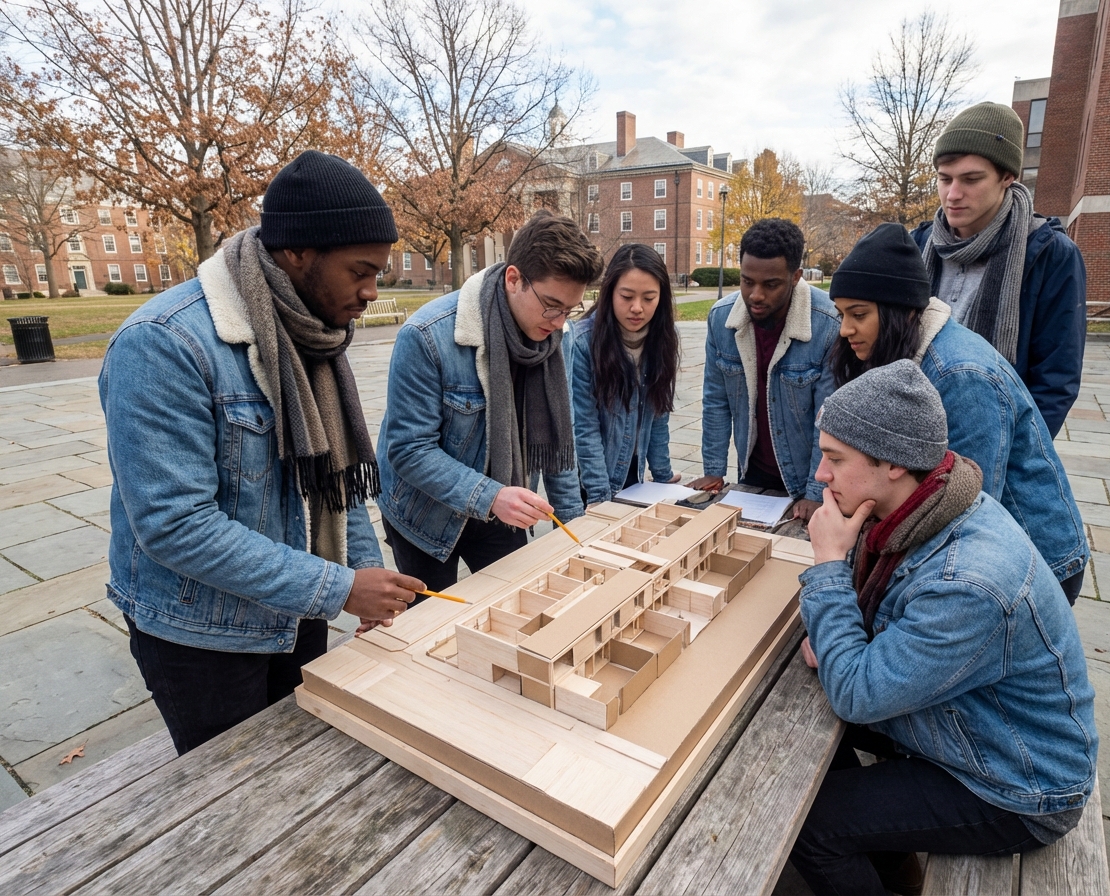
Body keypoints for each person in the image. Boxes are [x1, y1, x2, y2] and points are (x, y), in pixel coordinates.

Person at [101, 150, 423, 755]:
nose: (371, 292)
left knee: (298, 763)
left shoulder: (309, 327)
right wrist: (339, 588)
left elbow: (332, 481)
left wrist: (363, 577)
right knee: (231, 795)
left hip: (296, 604)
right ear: (298, 251)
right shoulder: (163, 343)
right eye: (360, 270)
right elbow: (174, 526)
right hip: (203, 635)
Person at [790, 360, 1097, 896]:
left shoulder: (970, 581)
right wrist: (842, 642)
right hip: (972, 726)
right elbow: (862, 661)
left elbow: (858, 693)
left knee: (810, 828)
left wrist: (827, 570)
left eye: (835, 459)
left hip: (1018, 784)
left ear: (893, 464)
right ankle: (894, 868)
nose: (821, 475)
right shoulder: (925, 507)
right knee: (804, 733)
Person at [828, 223, 1089, 603]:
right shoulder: (903, 354)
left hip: (1035, 562)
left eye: (859, 314)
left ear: (900, 310)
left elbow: (965, 509)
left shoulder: (962, 375)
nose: (845, 330)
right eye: (840, 314)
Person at [376, 210, 602, 592]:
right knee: (431, 627)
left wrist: (576, 529)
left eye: (570, 309)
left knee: (514, 606)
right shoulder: (426, 334)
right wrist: (491, 495)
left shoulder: (556, 337)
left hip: (503, 505)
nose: (560, 321)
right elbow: (409, 449)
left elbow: (559, 443)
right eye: (552, 305)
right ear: (514, 279)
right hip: (423, 514)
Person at [911, 101, 1086, 437]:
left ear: (1008, 176)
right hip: (910, 434)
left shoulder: (1051, 255)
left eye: (971, 179)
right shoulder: (918, 244)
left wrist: (1016, 453)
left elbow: (1055, 380)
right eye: (944, 179)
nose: (953, 194)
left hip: (995, 436)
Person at [690, 218, 839, 523]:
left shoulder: (828, 323)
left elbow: (829, 421)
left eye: (770, 284)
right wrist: (714, 470)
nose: (756, 295)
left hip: (808, 479)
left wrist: (814, 492)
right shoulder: (721, 318)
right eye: (747, 281)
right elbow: (716, 401)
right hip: (752, 473)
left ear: (795, 276)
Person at [571, 244, 680, 506]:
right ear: (609, 292)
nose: (637, 308)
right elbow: (584, 427)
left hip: (633, 477)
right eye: (627, 296)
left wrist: (663, 477)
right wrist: (598, 496)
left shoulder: (664, 338)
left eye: (648, 298)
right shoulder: (582, 341)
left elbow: (658, 414)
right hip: (587, 481)